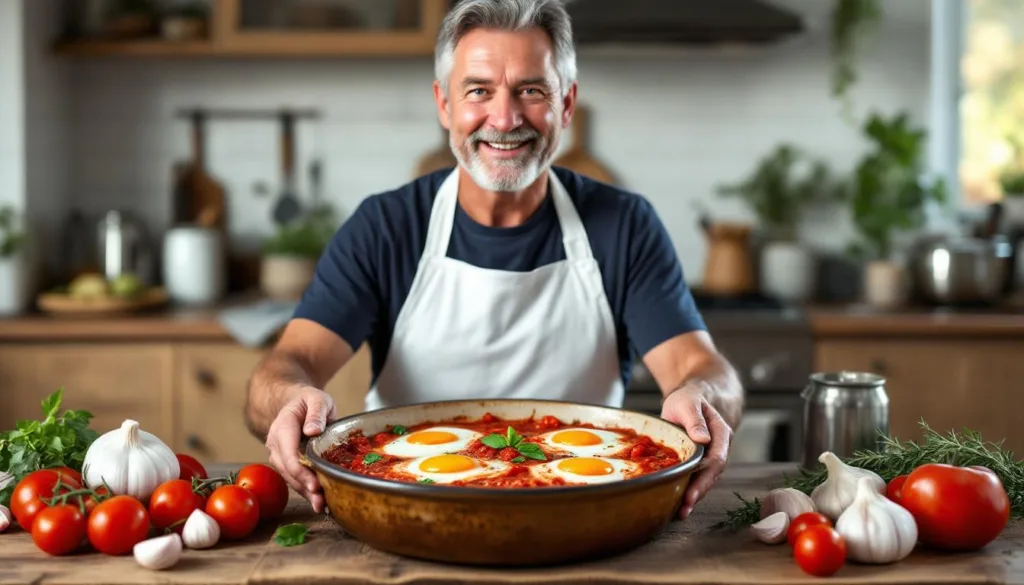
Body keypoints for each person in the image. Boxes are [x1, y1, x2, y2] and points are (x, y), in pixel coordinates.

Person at [244, 0, 744, 520]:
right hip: (405, 510)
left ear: (567, 104)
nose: (504, 119)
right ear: (444, 105)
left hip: (582, 517)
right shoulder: (385, 227)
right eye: (478, 90)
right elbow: (284, 367)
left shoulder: (624, 224)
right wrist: (291, 401)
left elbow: (703, 370)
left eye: (531, 90)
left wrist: (702, 400)